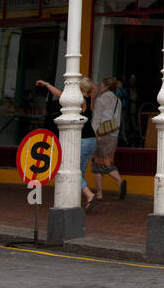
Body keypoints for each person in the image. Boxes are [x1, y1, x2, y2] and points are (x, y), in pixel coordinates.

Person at [36, 75, 98, 210]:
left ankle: (89, 195)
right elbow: (95, 87)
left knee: (70, 169)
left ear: (80, 87)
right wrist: (83, 78)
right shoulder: (91, 98)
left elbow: (60, 95)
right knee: (79, 171)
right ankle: (78, 199)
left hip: (81, 140)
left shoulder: (78, 100)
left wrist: (47, 85)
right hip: (92, 140)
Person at [91, 76, 126, 200]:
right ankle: (101, 192)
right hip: (113, 135)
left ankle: (118, 182)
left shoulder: (101, 100)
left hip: (102, 135)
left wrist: (95, 135)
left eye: (101, 85)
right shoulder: (118, 101)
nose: (100, 87)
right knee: (106, 161)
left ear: (106, 86)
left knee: (98, 164)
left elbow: (96, 120)